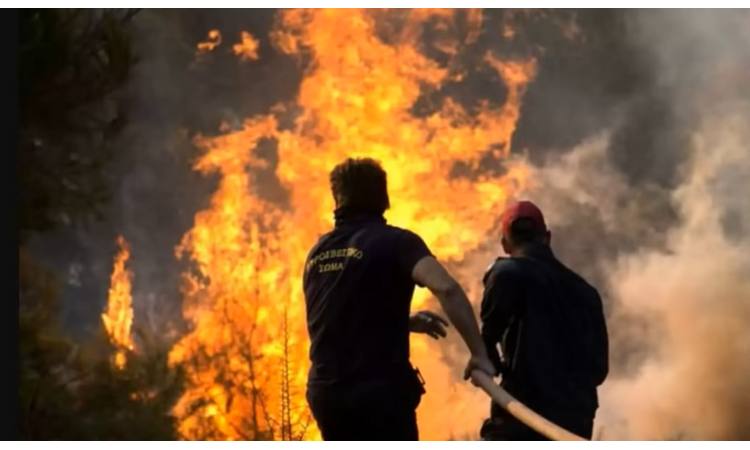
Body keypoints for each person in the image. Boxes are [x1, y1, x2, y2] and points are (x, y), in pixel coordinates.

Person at [303, 157, 494, 440]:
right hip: (378, 397)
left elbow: (339, 319)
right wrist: (480, 354)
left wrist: (401, 322)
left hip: (326, 396)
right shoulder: (398, 243)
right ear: (384, 198)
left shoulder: (317, 252)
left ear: (337, 200)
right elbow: (447, 289)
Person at [479, 200, 609, 440]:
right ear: (547, 238)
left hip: (521, 418)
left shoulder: (505, 273)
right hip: (574, 423)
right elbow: (598, 371)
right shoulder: (587, 293)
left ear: (505, 244)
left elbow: (485, 345)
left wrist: (490, 361)